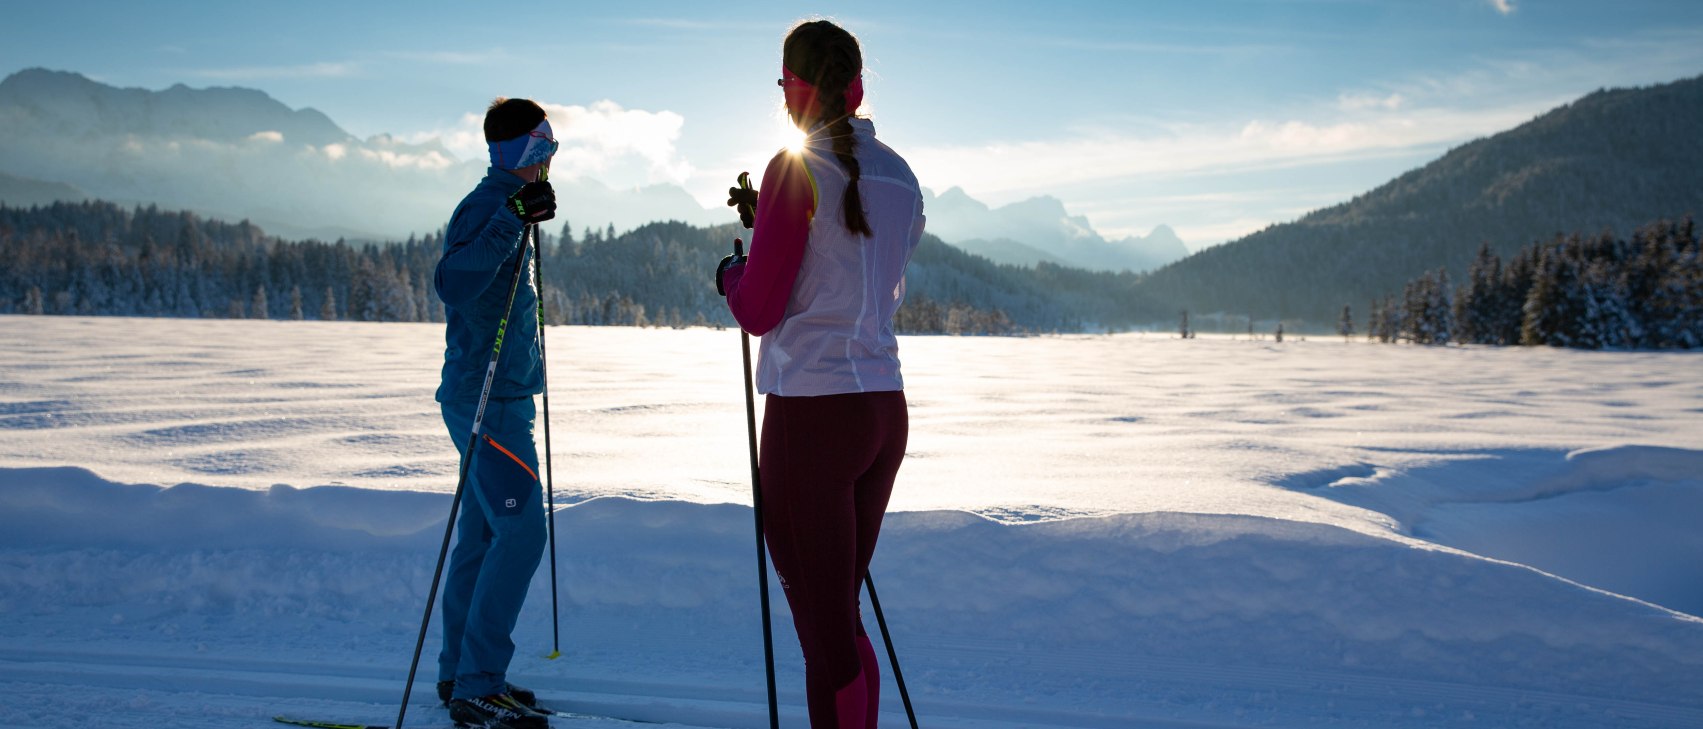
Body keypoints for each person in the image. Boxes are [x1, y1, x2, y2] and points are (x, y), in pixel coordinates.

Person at [716, 19, 925, 729]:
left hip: (812, 414)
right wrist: (777, 223)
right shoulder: (899, 172)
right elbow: (860, 256)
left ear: (794, 88)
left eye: (783, 84)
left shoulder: (793, 168)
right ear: (855, 85)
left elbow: (759, 307)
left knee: (822, 629)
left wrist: (731, 272)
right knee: (838, 611)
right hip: (881, 410)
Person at [433, 96, 559, 729]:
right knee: (521, 533)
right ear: (528, 152)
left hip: (495, 396)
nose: (551, 162)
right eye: (547, 149)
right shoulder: (490, 205)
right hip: (489, 403)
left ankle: (462, 673)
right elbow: (453, 282)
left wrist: (518, 215)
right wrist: (512, 217)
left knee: (484, 536)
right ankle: (478, 684)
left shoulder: (504, 202)